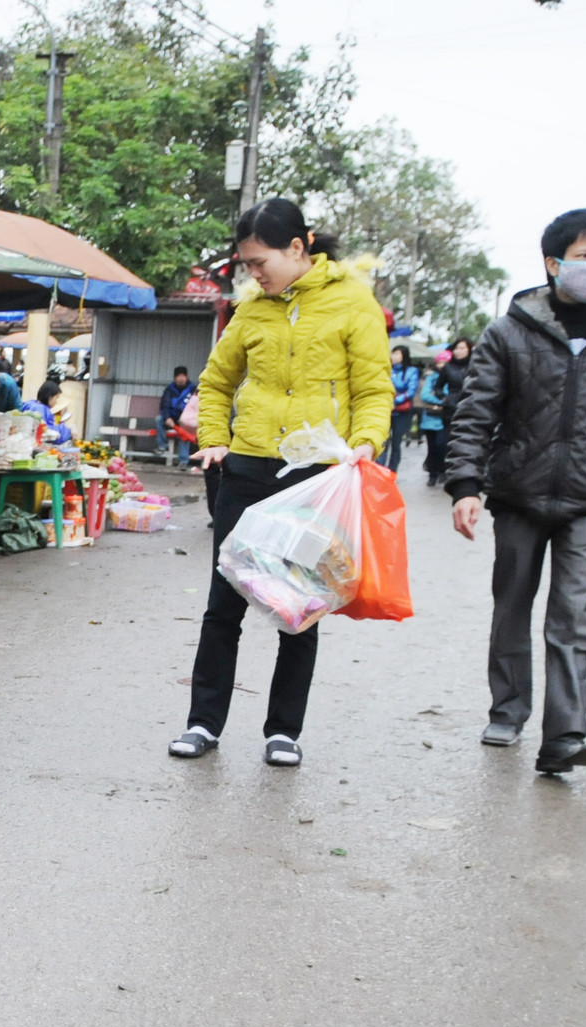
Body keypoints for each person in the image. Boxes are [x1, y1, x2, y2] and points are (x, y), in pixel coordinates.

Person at [167, 198, 391, 767]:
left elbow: (372, 388)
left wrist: (366, 441)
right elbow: (215, 385)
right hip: (245, 469)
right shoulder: (251, 311)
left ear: (299, 248)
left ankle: (283, 730)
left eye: (260, 262)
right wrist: (213, 439)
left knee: (299, 605)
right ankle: (202, 723)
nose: (254, 274)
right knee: (225, 603)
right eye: (246, 265)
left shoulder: (352, 303)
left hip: (313, 478)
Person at [446, 208, 586, 775]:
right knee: (512, 606)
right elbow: (475, 413)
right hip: (518, 495)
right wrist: (465, 484)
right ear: (553, 263)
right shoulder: (508, 332)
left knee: (573, 618)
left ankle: (564, 736)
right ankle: (507, 710)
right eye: (584, 256)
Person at [384, 347, 418, 473]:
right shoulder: (386, 369)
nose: (394, 356)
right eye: (393, 353)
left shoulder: (411, 371)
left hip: (402, 411)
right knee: (383, 442)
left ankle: (392, 471)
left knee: (396, 442)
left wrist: (395, 401)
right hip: (386, 409)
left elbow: (411, 390)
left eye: (397, 354)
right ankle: (380, 469)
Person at [156, 366, 198, 468]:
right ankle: (162, 446)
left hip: (186, 419)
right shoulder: (169, 390)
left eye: (183, 376)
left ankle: (183, 461)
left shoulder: (193, 389)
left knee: (185, 432)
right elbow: (164, 405)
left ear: (186, 377)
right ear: (175, 378)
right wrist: (167, 418)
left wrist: (186, 420)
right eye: (178, 376)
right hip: (172, 419)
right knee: (158, 420)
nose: (181, 379)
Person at [419, 352, 448, 486]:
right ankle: (432, 473)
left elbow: (450, 394)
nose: (442, 365)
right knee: (432, 447)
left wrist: (444, 402)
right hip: (431, 417)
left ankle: (443, 470)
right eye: (440, 362)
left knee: (442, 445)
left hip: (446, 417)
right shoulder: (431, 377)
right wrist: (440, 402)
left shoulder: (451, 377)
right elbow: (424, 394)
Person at [435, 336, 472, 443]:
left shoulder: (475, 366)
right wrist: (443, 398)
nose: (459, 351)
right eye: (457, 348)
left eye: (462, 348)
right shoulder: (448, 367)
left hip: (470, 406)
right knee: (446, 441)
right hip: (450, 407)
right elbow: (438, 386)